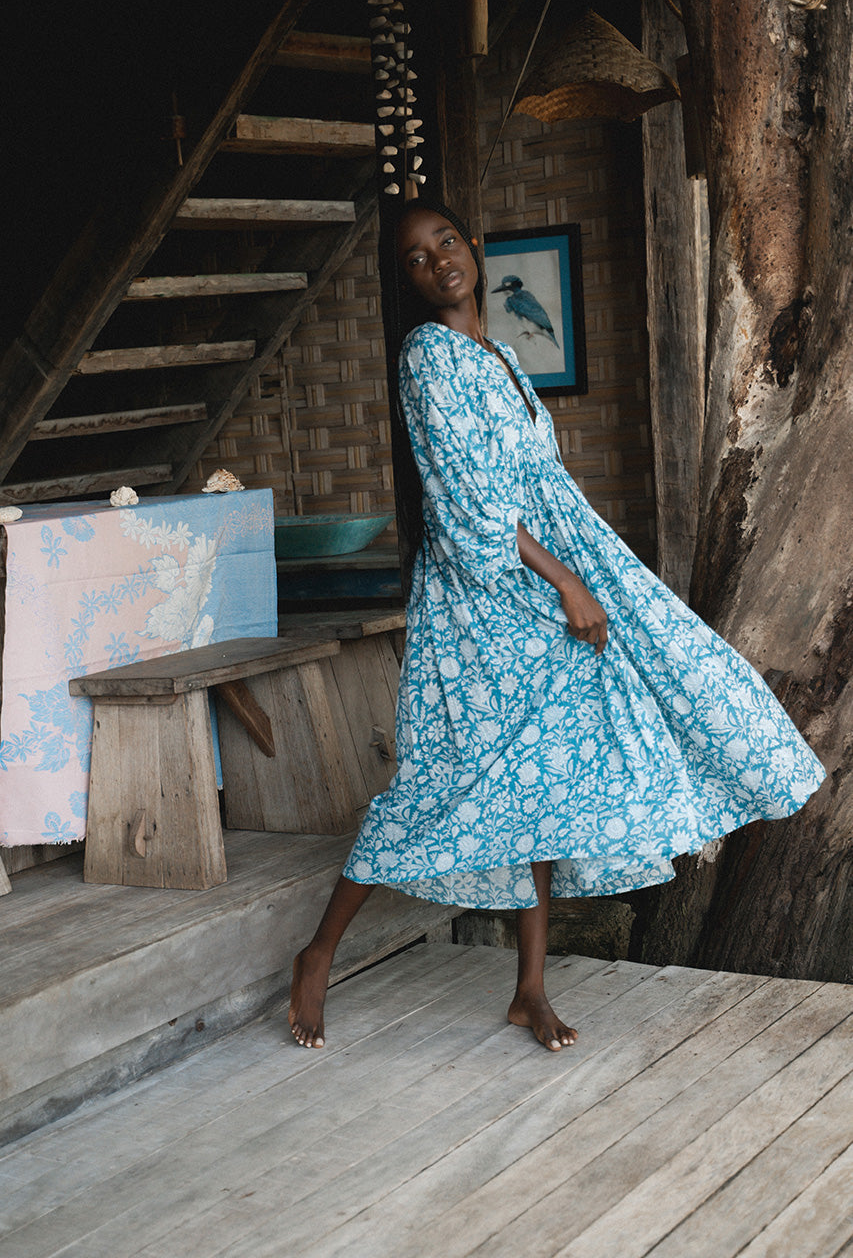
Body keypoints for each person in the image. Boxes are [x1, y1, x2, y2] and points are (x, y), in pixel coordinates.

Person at [288, 200, 825, 1053]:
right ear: (407, 281)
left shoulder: (498, 354)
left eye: (446, 244)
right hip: (487, 601)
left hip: (543, 581)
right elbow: (466, 505)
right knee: (452, 781)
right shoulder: (428, 359)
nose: (438, 264)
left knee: (542, 778)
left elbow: (536, 482)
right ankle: (317, 954)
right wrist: (568, 580)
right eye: (416, 259)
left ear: (472, 245)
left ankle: (528, 989)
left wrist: (587, 573)